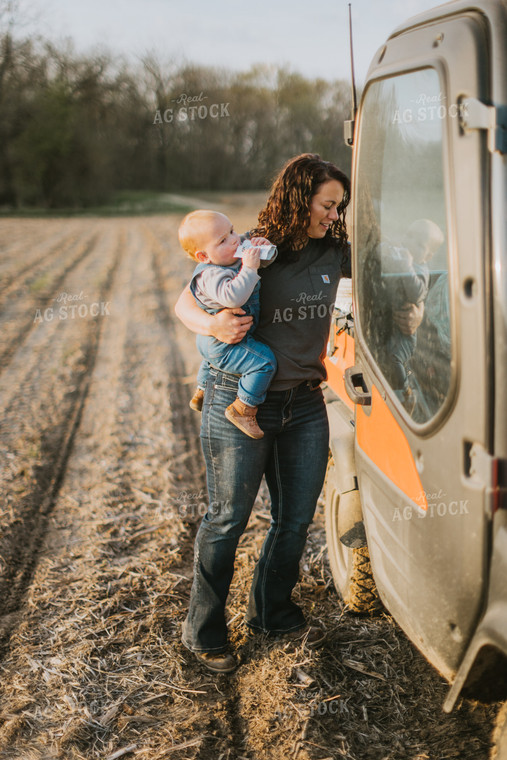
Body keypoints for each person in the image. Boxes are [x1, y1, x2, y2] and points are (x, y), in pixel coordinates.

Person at [174, 153, 352, 674]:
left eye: (340, 206)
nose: (335, 215)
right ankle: (203, 632)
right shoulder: (254, 249)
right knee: (227, 520)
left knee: (294, 521)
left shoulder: (335, 250)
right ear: (301, 198)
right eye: (328, 204)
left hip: (304, 403)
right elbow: (184, 299)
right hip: (239, 400)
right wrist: (207, 328)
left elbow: (388, 273)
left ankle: (270, 612)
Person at [178, 209, 277, 439]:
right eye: (223, 240)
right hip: (223, 344)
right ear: (204, 257)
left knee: (211, 361)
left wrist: (261, 246)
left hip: (209, 344)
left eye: (231, 230)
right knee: (264, 362)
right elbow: (233, 296)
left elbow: (258, 251)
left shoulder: (231, 251)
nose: (235, 239)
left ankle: (202, 389)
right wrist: (250, 268)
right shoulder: (210, 274)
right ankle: (244, 407)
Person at [380, 219, 444, 411]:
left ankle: (404, 393)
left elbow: (417, 293)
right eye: (408, 236)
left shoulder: (419, 269)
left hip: (405, 332)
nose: (409, 243)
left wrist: (406, 266)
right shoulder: (401, 258)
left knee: (395, 357)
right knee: (388, 355)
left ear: (428, 255)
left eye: (418, 244)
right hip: (390, 322)